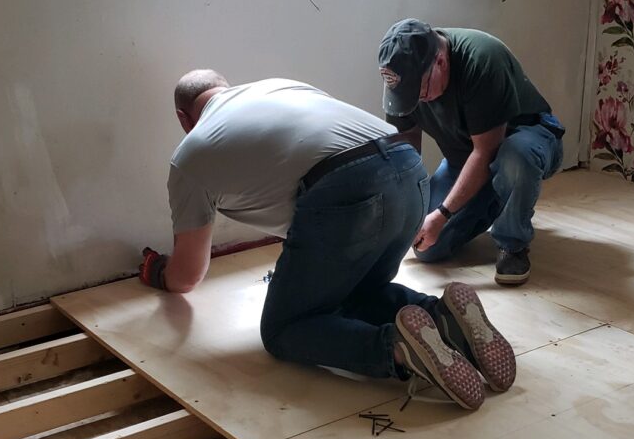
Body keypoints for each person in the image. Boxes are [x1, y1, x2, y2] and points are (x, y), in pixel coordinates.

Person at [137, 71, 517, 411]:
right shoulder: (278, 85)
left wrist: (157, 272)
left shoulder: (191, 154)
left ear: (183, 119)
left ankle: (399, 352)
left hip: (348, 192)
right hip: (409, 171)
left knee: (283, 329)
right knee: (352, 292)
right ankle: (444, 317)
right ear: (226, 88)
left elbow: (187, 276)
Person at [378, 19, 565, 286]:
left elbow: (486, 151)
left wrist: (442, 213)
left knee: (513, 158)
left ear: (440, 61)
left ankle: (512, 242)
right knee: (427, 247)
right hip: (466, 158)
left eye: (421, 92)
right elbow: (404, 155)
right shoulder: (404, 78)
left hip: (526, 139)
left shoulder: (482, 59)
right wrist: (404, 215)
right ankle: (498, 199)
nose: (417, 101)